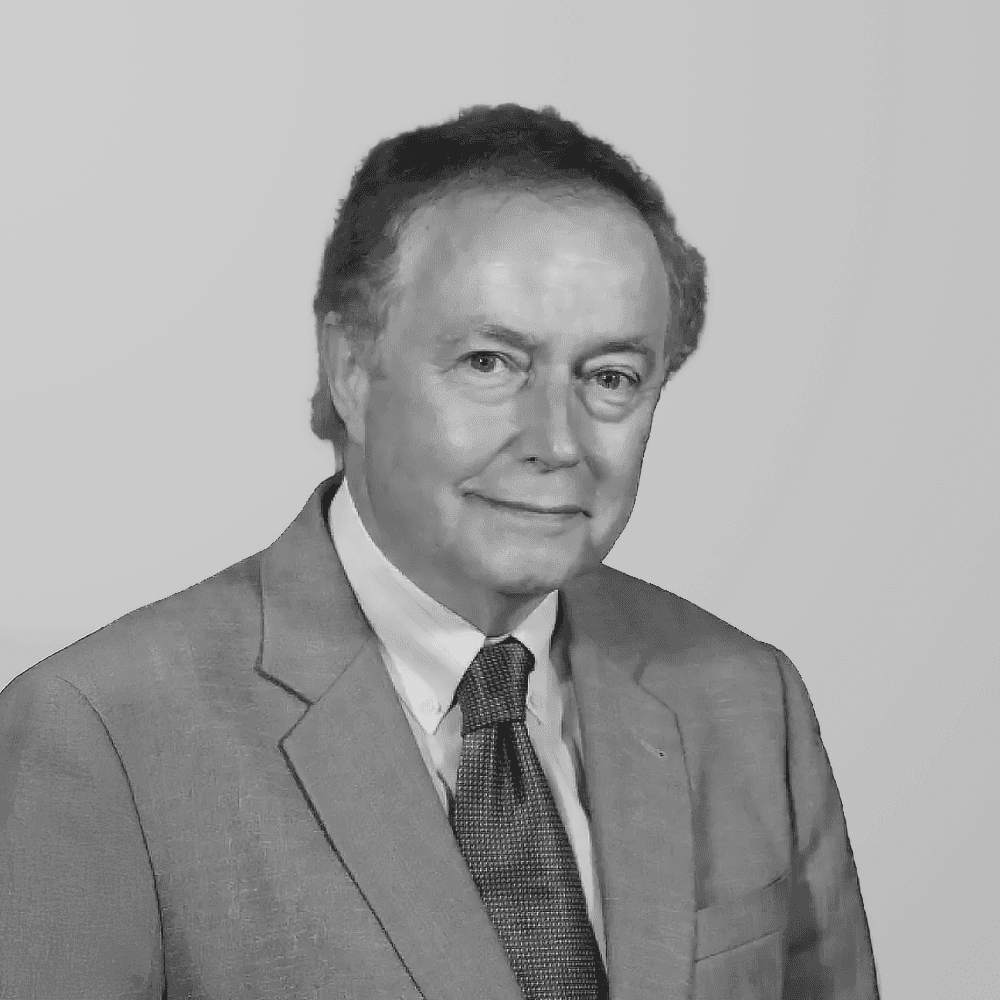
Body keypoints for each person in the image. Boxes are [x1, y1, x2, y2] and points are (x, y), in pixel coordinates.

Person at [0, 104, 878, 999]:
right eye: (490, 363)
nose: (557, 441)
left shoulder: (746, 699)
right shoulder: (98, 736)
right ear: (350, 369)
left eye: (610, 377)